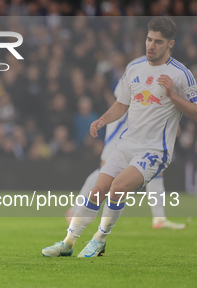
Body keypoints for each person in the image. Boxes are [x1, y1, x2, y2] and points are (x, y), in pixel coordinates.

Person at [43, 17, 197, 257]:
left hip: (154, 151)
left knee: (118, 187)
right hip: (127, 144)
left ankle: (99, 239)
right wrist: (103, 120)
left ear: (170, 44)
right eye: (149, 39)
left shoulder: (180, 75)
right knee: (97, 190)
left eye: (158, 42)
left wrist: (173, 97)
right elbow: (121, 104)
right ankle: (67, 243)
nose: (151, 46)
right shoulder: (134, 68)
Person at [66, 55, 186, 230]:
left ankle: (159, 217)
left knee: (153, 165)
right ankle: (76, 209)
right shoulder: (136, 68)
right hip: (122, 121)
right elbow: (123, 100)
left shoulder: (163, 70)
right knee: (105, 168)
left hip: (140, 125)